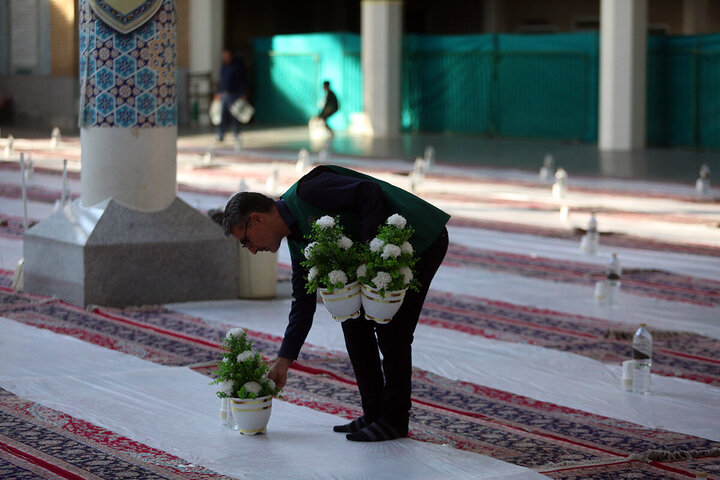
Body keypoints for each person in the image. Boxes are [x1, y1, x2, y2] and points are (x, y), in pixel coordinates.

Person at [221, 165, 450, 442]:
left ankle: (395, 419)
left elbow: (369, 192)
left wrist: (367, 250)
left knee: (393, 329)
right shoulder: (297, 242)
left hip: (419, 241)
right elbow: (303, 305)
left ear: (257, 219)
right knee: (353, 322)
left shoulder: (308, 191)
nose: (253, 250)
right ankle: (375, 412)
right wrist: (284, 360)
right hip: (379, 260)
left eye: (246, 242)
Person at [215, 49, 247, 142]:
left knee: (235, 115)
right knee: (222, 115)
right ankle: (220, 134)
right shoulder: (223, 67)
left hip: (234, 94)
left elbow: (241, 81)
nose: (225, 58)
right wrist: (218, 92)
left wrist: (242, 94)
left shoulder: (236, 67)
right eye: (224, 56)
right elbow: (222, 82)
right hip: (224, 94)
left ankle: (236, 133)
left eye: (227, 56)